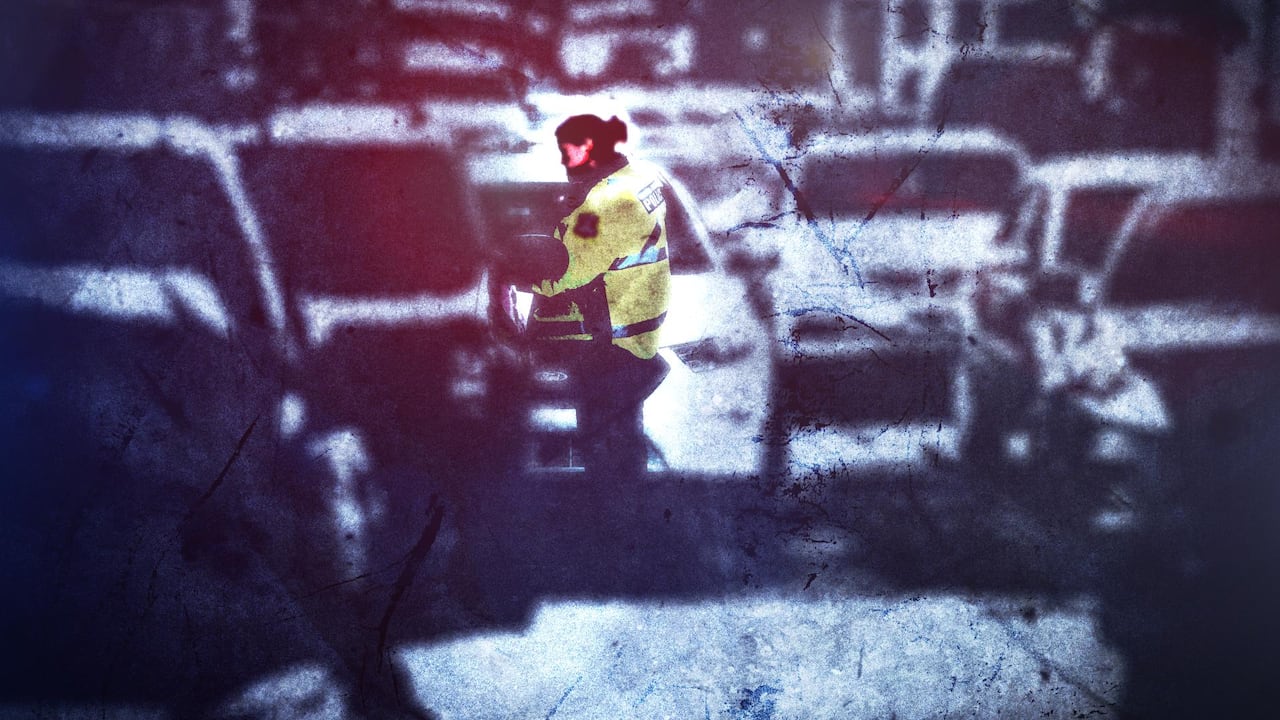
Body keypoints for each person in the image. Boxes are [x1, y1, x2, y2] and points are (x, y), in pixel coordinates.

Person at [527, 113, 672, 474]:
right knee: (623, 437)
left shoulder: (603, 206)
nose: (563, 160)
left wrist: (528, 279)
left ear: (590, 148)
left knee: (607, 449)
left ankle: (608, 515)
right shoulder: (639, 177)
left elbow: (567, 268)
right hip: (635, 327)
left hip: (609, 341)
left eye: (568, 151)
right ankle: (622, 503)